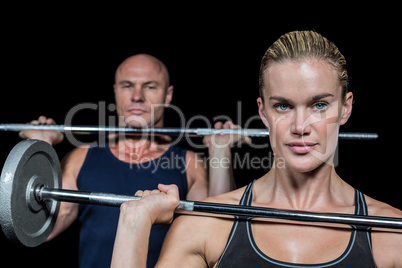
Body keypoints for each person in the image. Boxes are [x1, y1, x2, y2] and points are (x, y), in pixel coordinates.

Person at [111, 31, 402, 267]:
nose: (300, 126)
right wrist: (134, 223)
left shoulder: (391, 232)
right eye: (283, 106)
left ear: (346, 107)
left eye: (319, 105)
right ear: (263, 112)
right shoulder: (204, 225)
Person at [19, 54, 247, 268]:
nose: (137, 96)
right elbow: (43, 229)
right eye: (128, 85)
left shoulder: (189, 163)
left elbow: (217, 236)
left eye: (149, 86)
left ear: (167, 95)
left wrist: (220, 151)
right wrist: (39, 147)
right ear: (116, 91)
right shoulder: (82, 157)